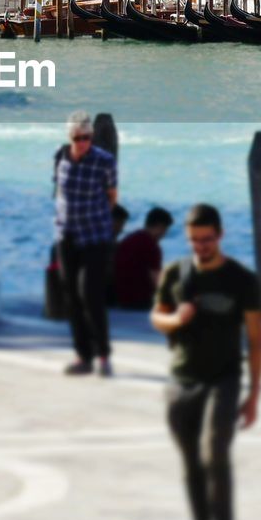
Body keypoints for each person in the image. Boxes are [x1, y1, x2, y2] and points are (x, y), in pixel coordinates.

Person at [151, 204, 261, 520]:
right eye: (195, 240)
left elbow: (257, 340)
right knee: (191, 461)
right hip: (182, 379)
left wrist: (253, 396)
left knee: (214, 452)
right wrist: (176, 320)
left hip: (224, 378)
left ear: (220, 235)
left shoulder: (242, 280)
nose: (201, 246)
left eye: (207, 239)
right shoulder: (176, 274)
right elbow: (158, 317)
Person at [53, 111, 118, 376]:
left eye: (87, 137)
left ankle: (103, 355)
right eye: (78, 137)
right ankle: (83, 355)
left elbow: (112, 195)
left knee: (90, 295)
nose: (83, 142)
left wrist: (99, 216)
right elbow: (56, 190)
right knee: (71, 297)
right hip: (66, 233)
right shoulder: (60, 157)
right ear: (69, 136)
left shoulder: (104, 161)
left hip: (94, 235)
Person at [114, 207, 175, 311]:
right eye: (165, 230)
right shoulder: (151, 246)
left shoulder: (130, 238)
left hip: (120, 298)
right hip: (139, 301)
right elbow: (156, 282)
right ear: (160, 226)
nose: (164, 234)